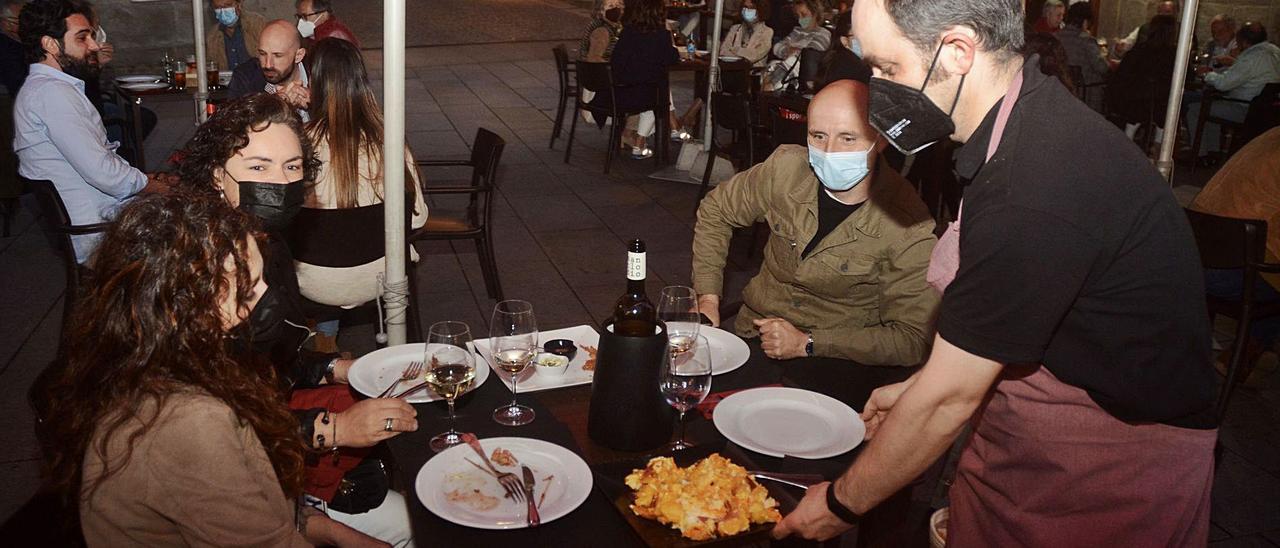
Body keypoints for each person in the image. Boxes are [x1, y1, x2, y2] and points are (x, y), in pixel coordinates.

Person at [775, 0, 1216, 543]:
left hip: (1105, 464)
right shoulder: (1023, 119)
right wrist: (918, 385)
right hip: (1030, 427)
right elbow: (1007, 319)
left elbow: (949, 400)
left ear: (958, 51)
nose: (874, 86)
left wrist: (841, 504)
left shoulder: (1033, 184)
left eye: (888, 68)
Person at [37, 193, 385, 546]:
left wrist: (331, 531)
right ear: (180, 308)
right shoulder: (187, 420)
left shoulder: (165, 361)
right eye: (248, 290)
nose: (269, 298)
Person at [173, 93, 417, 546]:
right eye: (259, 167)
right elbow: (213, 438)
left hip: (275, 470)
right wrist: (334, 431)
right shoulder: (196, 267)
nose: (280, 183)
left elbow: (279, 346)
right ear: (214, 175)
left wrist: (339, 367)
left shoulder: (268, 243)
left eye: (292, 167)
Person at [692, 78, 938, 365]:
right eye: (818, 136)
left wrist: (807, 343)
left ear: (880, 140)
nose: (830, 151)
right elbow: (716, 209)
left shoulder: (908, 223)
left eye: (848, 138)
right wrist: (708, 297)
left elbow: (913, 339)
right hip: (754, 334)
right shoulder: (786, 169)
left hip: (839, 361)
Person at [295, 38, 428, 340]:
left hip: (312, 282)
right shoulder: (390, 141)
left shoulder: (296, 146)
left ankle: (318, 349)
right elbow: (418, 219)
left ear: (313, 83)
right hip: (382, 277)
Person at [13, 0, 164, 263]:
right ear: (50, 44)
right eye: (82, 37)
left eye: (92, 36)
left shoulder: (51, 88)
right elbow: (104, 174)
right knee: (203, 225)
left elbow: (101, 165)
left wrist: (147, 180)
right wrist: (153, 185)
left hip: (106, 217)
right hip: (100, 234)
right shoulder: (52, 94)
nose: (94, 45)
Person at [1190, 126, 1280, 378]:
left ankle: (1250, 352)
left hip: (1196, 251)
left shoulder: (1271, 134)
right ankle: (1244, 355)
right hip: (1232, 268)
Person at [595, 0, 678, 159]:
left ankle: (674, 131)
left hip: (618, 93)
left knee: (658, 89)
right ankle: (642, 142)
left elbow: (616, 61)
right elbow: (672, 57)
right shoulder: (661, 36)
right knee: (660, 92)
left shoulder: (628, 32)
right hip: (641, 97)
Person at [1186, 22, 1280, 160]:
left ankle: (1200, 155)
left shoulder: (1251, 57)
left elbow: (1223, 84)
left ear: (1244, 41)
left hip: (1246, 109)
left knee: (1194, 109)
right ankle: (1212, 151)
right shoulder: (1275, 52)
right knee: (1212, 104)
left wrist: (1206, 75)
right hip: (1268, 110)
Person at [1107, 14, 1177, 146]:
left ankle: (1126, 147)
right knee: (1169, 110)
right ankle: (1158, 150)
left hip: (1134, 103)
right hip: (1161, 105)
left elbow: (1122, 74)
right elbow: (1187, 77)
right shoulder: (1174, 54)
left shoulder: (1139, 50)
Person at [229, 19, 311, 117]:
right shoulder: (246, 76)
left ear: (298, 55)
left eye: (278, 55)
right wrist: (275, 105)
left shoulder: (320, 72)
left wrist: (315, 102)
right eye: (262, 54)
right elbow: (232, 123)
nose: (268, 65)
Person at [1056, 2, 1109, 109]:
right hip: (1085, 94)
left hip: (1060, 90)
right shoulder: (1086, 41)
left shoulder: (1056, 37)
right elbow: (1102, 68)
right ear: (1085, 22)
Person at [207, 0, 265, 71]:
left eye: (227, 5)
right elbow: (211, 66)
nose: (222, 11)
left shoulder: (257, 24)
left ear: (238, 4)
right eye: (217, 7)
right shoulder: (212, 36)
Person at [721, 0, 774, 67]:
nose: (747, 10)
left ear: (761, 10)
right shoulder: (735, 28)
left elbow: (753, 56)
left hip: (752, 74)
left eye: (751, 8)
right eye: (745, 7)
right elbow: (723, 51)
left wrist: (734, 49)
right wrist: (744, 53)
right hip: (731, 70)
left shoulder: (767, 32)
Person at [0, 0, 24, 95]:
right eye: (18, 21)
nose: (25, 24)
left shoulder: (23, 39)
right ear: (5, 23)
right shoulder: (5, 47)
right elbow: (16, 82)